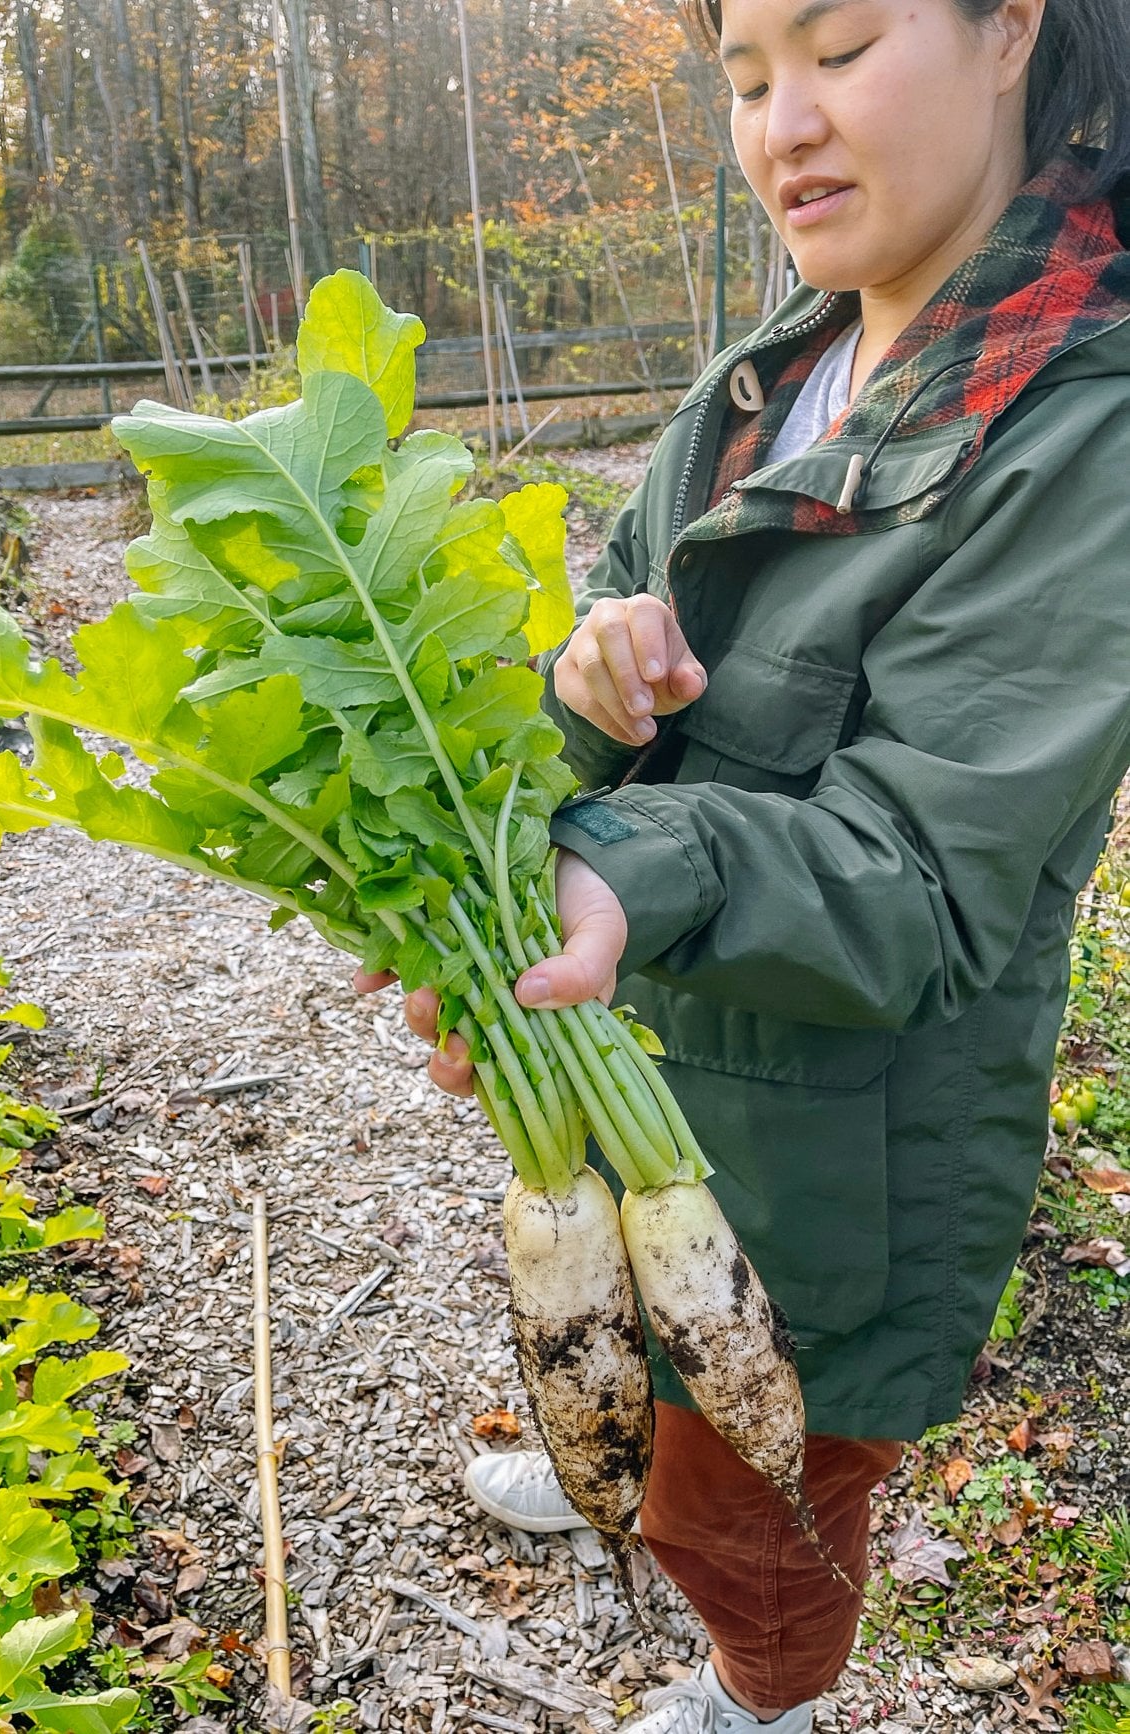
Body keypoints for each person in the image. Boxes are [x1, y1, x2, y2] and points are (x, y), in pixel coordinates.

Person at [359, 0, 1130, 1725]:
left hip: (846, 1157)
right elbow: (613, 668)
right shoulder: (770, 376)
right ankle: (611, 1428)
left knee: (767, 1509)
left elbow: (922, 875)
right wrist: (587, 683)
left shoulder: (1085, 438)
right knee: (631, 1338)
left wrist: (633, 868)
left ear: (1014, 33)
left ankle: (759, 1690)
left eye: (842, 45)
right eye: (745, 74)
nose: (785, 122)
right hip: (676, 1071)